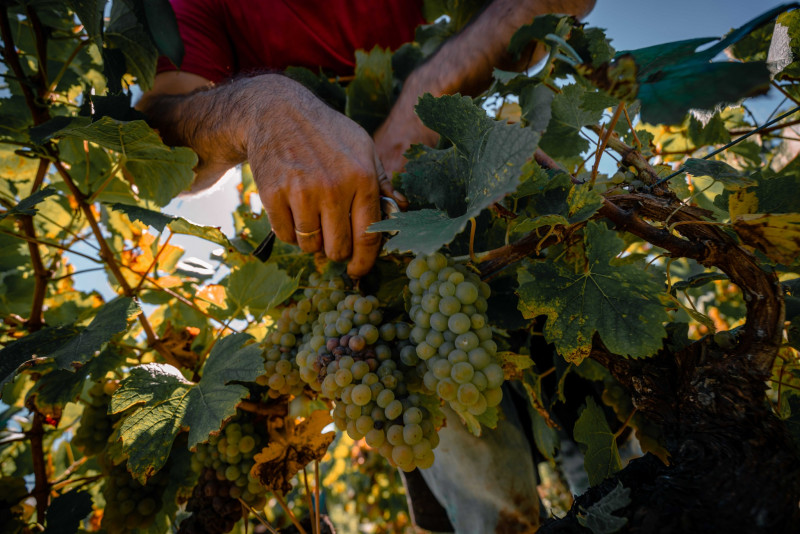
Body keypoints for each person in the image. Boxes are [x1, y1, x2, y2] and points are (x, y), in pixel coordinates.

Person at [138, 0, 596, 279]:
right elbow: (155, 149)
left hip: (475, 186)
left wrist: (417, 110)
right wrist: (259, 107)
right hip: (337, 244)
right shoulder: (198, 6)